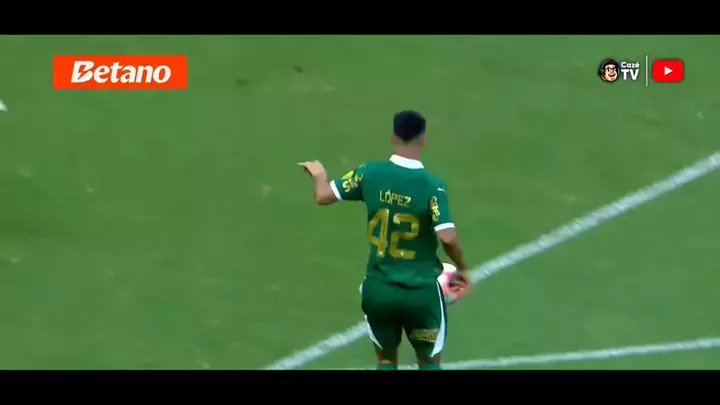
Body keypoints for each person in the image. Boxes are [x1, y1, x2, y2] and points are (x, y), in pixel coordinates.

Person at [298, 110, 471, 370]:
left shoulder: (369, 173)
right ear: (423, 139)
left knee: (386, 359)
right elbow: (447, 238)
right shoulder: (432, 186)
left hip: (379, 290)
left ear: (392, 137)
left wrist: (319, 174)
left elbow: (323, 196)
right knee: (428, 360)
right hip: (420, 295)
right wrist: (463, 269)